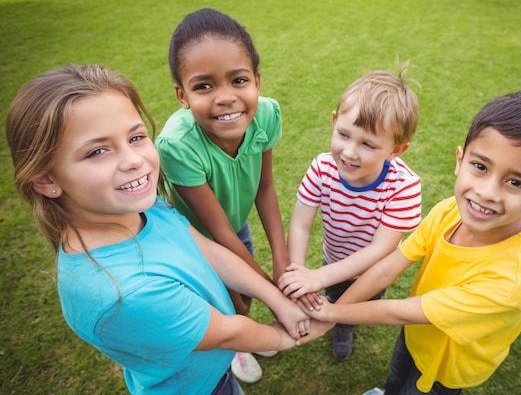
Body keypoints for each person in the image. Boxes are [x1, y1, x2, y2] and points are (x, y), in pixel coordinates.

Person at [5, 64, 313, 395]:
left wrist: (276, 302)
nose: (133, 160)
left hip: (214, 365)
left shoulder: (144, 206)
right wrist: (283, 335)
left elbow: (208, 251)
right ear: (46, 179)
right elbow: (226, 333)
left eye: (136, 137)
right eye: (97, 151)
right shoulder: (122, 296)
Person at [297, 90, 521, 394]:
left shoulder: (512, 281)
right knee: (396, 376)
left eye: (515, 183)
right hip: (415, 335)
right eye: (481, 166)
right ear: (460, 160)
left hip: (445, 369)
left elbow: (401, 311)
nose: (486, 192)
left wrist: (329, 314)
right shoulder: (450, 210)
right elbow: (390, 266)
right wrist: (331, 312)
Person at [155, 8, 291, 382]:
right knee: (231, 302)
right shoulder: (177, 145)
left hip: (234, 223)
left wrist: (282, 262)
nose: (226, 98)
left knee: (242, 299)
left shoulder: (266, 115)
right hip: (195, 242)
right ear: (182, 95)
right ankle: (237, 348)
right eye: (204, 86)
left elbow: (264, 188)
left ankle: (244, 333)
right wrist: (271, 290)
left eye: (239, 80)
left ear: (257, 81)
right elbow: (217, 234)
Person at [278, 67, 422, 359]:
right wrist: (300, 274)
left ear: (396, 150)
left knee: (352, 307)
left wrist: (318, 278)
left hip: (370, 274)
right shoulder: (322, 167)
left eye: (368, 144)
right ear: (334, 121)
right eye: (344, 134)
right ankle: (333, 309)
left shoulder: (404, 186)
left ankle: (343, 325)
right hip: (333, 258)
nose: (350, 152)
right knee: (331, 295)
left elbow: (381, 249)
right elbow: (301, 225)